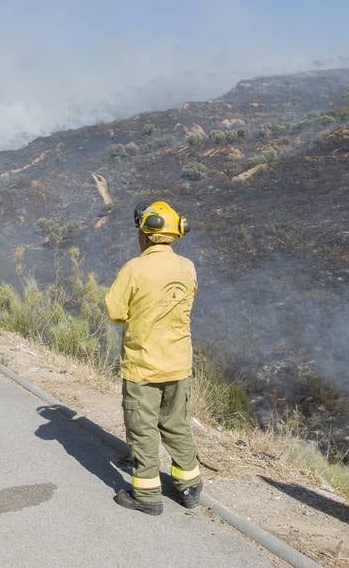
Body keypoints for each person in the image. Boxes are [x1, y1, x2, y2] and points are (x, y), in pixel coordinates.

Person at [104, 200, 202, 515]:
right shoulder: (187, 267)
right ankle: (190, 485)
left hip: (144, 366)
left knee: (142, 427)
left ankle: (146, 494)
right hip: (179, 363)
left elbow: (115, 311)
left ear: (145, 234)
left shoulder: (135, 268)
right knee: (177, 423)